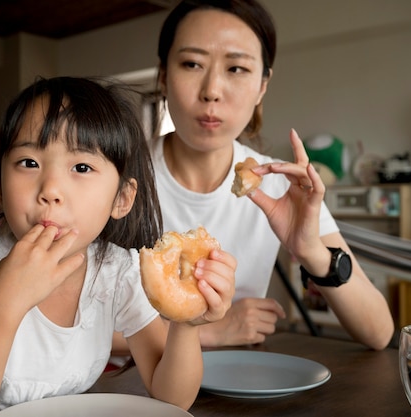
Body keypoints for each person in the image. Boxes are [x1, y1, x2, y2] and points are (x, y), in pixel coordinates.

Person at [0, 76, 236, 416]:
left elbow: (172, 397)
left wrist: (186, 325)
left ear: (122, 199)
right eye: (29, 163)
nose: (51, 189)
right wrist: (5, 303)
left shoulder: (117, 272)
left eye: (82, 167)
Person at [146, 0, 394, 350]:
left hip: (242, 391)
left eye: (236, 69)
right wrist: (211, 332)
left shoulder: (278, 186)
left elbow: (379, 332)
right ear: (163, 75)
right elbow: (59, 320)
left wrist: (310, 250)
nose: (212, 91)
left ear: (263, 85)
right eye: (191, 63)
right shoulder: (114, 177)